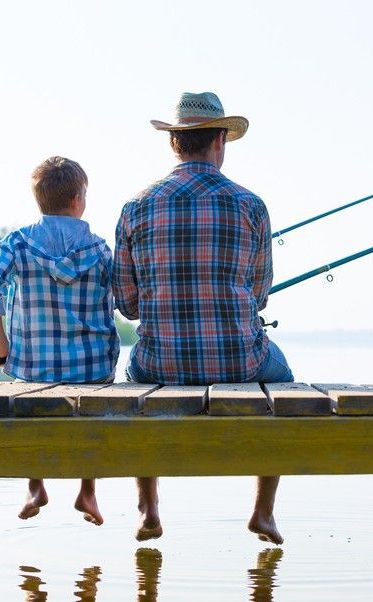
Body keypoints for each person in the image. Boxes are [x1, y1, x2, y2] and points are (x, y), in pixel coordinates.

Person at [113, 92, 294, 545]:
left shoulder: (135, 208)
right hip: (242, 362)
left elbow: (128, 305)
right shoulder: (251, 205)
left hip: (159, 365)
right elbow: (258, 294)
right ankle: (263, 513)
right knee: (286, 382)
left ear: (174, 143)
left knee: (136, 383)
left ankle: (148, 510)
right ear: (219, 141)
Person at [0, 156, 120, 525]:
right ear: (78, 199)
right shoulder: (101, 250)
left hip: (33, 367)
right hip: (93, 367)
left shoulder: (18, 244)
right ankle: (87, 493)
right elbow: (120, 299)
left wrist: (2, 348)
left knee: (34, 409)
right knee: (92, 416)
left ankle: (35, 486)